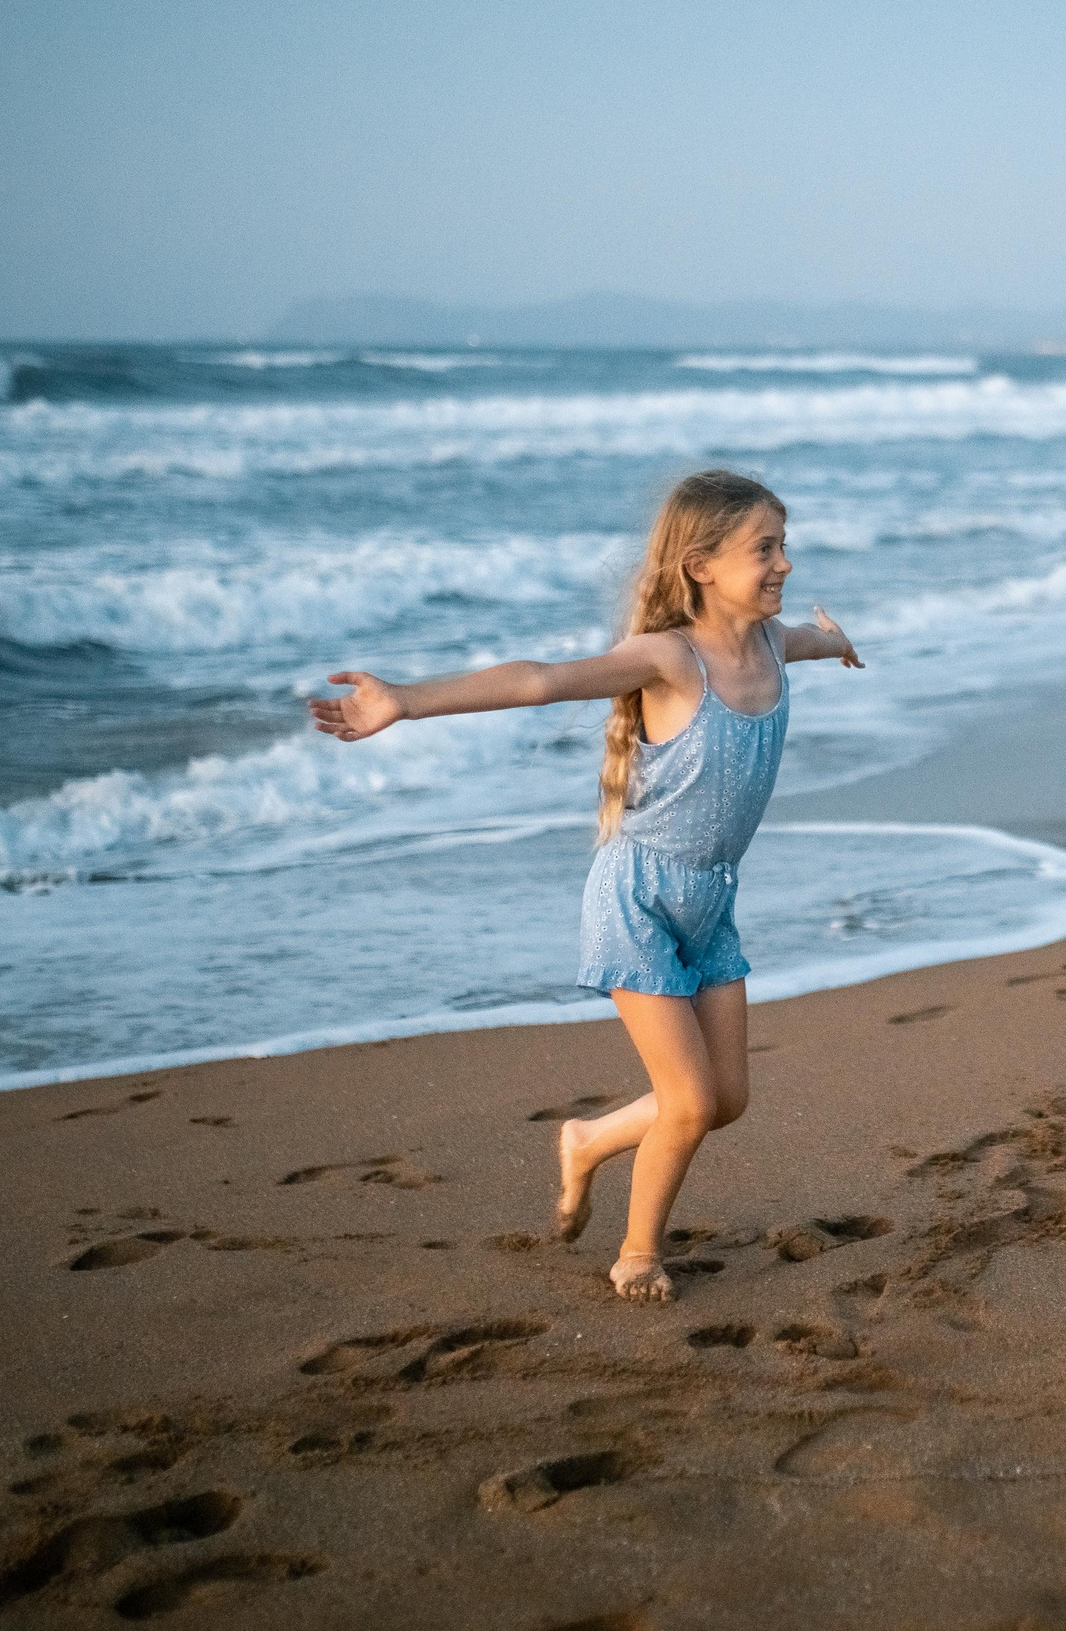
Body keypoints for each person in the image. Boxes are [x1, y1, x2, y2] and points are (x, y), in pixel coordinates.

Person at [310, 468, 863, 1303]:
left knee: (726, 1099)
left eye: (785, 544)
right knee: (687, 1099)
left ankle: (587, 1140)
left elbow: (807, 646)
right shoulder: (669, 660)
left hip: (711, 904)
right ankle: (638, 1252)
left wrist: (836, 639)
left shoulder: (774, 643)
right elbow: (539, 679)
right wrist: (406, 702)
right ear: (700, 565)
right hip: (637, 900)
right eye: (766, 548)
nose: (784, 561)